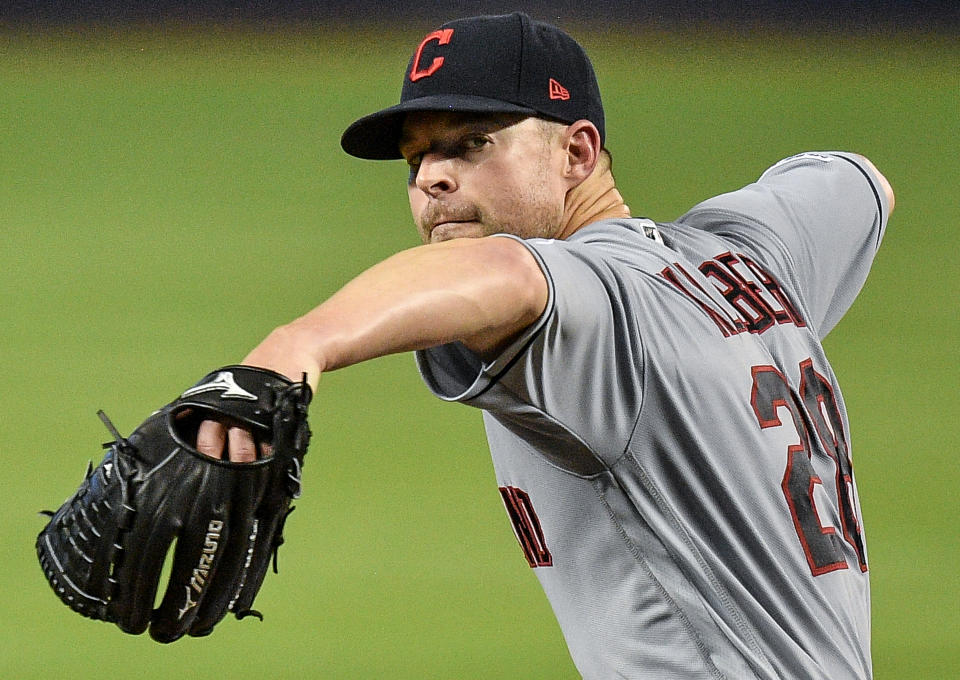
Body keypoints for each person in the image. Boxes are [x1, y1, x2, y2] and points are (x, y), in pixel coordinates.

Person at [197, 12, 894, 678]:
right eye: (416, 158)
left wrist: (294, 347)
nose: (433, 177)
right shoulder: (752, 259)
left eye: (473, 142)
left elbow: (505, 274)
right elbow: (862, 183)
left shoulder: (595, 307)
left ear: (578, 152)